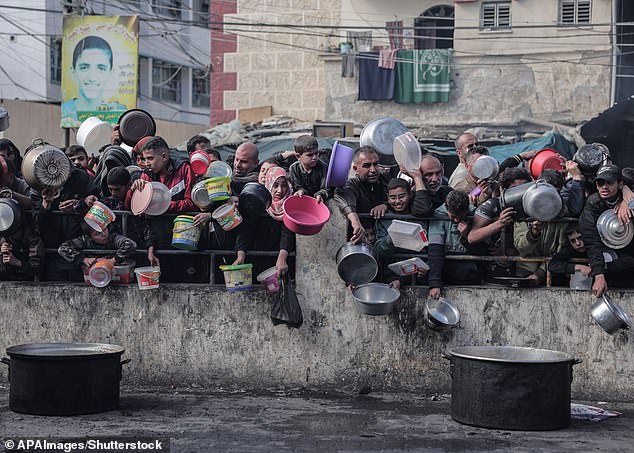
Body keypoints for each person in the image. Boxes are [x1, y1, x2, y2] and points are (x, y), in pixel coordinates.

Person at [78, 167, 159, 267]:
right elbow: (79, 209)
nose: (113, 193)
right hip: (117, 256)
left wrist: (150, 251)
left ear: (129, 185)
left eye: (117, 189)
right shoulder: (108, 203)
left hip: (139, 252)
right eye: (110, 189)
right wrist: (87, 201)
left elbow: (147, 229)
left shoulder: (139, 202)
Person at [579, 164, 634, 297]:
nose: (604, 187)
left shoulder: (629, 196)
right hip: (607, 259)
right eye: (600, 183)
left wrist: (628, 202)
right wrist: (599, 275)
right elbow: (591, 241)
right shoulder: (592, 204)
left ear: (620, 184)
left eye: (609, 183)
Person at [234, 167, 296, 277]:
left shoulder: (289, 207)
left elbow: (287, 234)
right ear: (268, 184)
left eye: (284, 185)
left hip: (279, 262)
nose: (280, 190)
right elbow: (246, 231)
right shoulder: (258, 203)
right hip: (256, 258)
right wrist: (240, 255)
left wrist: (282, 258)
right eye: (275, 185)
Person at [374, 178, 427, 289]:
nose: (397, 201)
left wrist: (426, 267)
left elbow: (429, 247)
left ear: (410, 195)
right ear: (387, 198)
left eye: (402, 196)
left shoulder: (420, 216)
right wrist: (392, 237)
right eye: (393, 197)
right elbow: (379, 250)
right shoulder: (384, 219)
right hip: (392, 273)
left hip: (419, 273)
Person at [61, 36, 126, 125]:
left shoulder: (121, 113)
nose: (92, 78)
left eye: (101, 68)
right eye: (84, 67)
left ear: (111, 72)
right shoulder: (66, 112)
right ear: (73, 71)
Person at [427, 190, 480, 298]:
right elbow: (435, 251)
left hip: (472, 278)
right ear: (447, 208)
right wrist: (434, 283)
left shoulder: (476, 215)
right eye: (453, 216)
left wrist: (467, 236)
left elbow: (483, 250)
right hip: (446, 277)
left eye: (460, 216)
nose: (456, 220)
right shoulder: (438, 216)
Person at [334, 146, 391, 244]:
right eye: (367, 166)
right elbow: (342, 196)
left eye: (376, 164)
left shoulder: (385, 179)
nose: (373, 169)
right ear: (356, 169)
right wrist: (355, 222)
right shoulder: (352, 184)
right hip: (359, 240)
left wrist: (385, 205)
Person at [130, 136, 195, 214]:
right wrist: (133, 190)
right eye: (145, 159)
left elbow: (191, 203)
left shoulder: (184, 169)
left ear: (164, 157)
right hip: (153, 225)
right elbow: (134, 207)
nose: (146, 164)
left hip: (180, 224)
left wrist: (161, 206)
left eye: (150, 158)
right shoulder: (147, 174)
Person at [58, 220, 136, 272]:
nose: (104, 234)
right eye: (97, 234)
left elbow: (131, 244)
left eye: (104, 229)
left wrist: (113, 260)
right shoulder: (84, 240)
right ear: (89, 237)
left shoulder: (113, 238)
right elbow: (62, 248)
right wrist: (83, 259)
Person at [0, 199, 44, 281]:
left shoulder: (33, 238)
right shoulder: (2, 236)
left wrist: (17, 262)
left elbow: (38, 267)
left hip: (26, 280)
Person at [288, 135, 330, 203]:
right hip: (303, 200)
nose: (315, 157)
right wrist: (300, 191)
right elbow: (297, 187)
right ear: (298, 156)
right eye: (309, 155)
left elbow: (325, 189)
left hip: (319, 201)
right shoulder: (294, 169)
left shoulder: (323, 167)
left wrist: (320, 194)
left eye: (316, 153)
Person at [409, 154, 453, 218]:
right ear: (419, 174)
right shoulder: (411, 196)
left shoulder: (447, 192)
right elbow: (423, 210)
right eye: (429, 174)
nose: (435, 179)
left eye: (438, 173)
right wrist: (417, 178)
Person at [549, 222, 590, 286]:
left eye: (580, 238)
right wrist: (579, 267)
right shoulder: (568, 250)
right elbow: (552, 265)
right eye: (573, 241)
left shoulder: (594, 248)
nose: (577, 243)